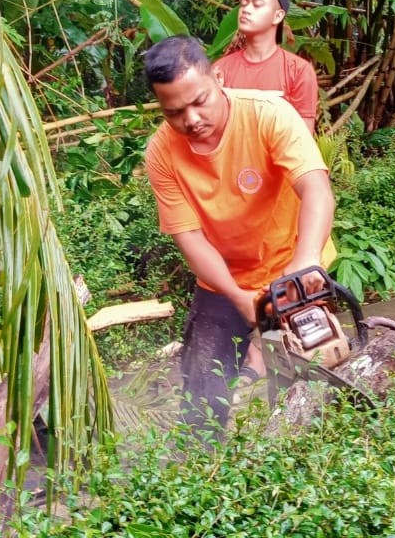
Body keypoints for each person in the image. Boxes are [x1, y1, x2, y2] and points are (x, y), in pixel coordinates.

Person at [141, 35, 336, 433]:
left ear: (217, 78)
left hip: (294, 269)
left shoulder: (268, 114)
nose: (191, 119)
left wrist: (306, 261)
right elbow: (190, 239)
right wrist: (235, 295)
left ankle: (295, 468)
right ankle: (201, 474)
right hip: (222, 280)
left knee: (307, 384)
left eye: (199, 101)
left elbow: (316, 189)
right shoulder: (160, 154)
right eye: (174, 112)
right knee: (202, 398)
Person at [213, 0, 319, 135]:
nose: (246, 10)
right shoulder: (220, 70)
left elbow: (302, 140)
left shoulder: (299, 71)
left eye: (257, 5)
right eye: (243, 4)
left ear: (278, 16)